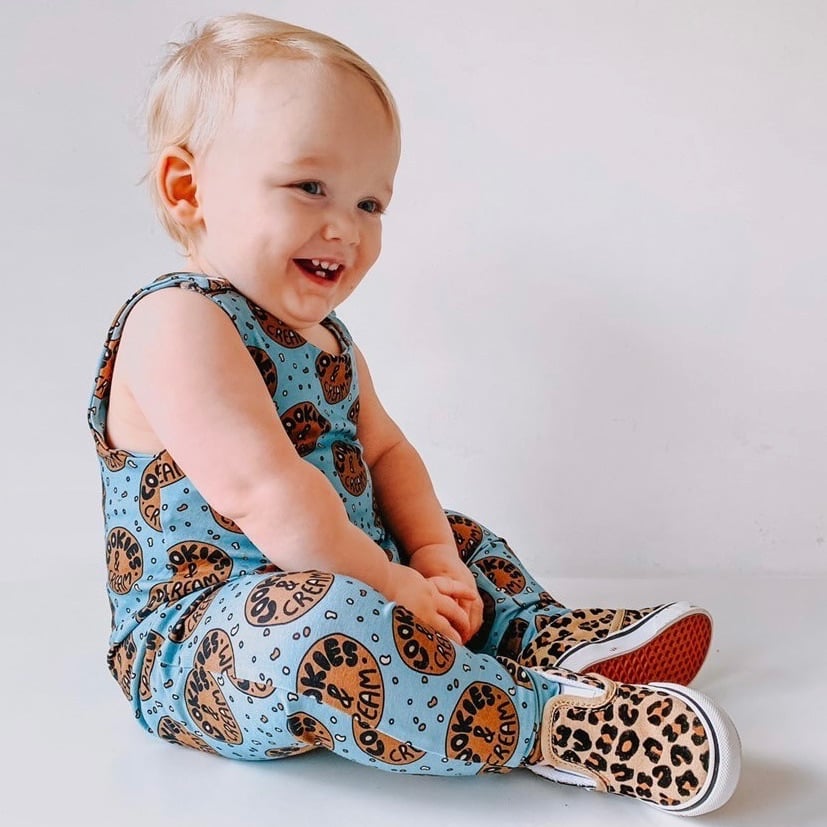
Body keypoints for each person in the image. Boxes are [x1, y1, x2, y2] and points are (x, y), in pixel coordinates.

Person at [87, 12, 740, 816]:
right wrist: (391, 582)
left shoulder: (327, 339)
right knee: (321, 626)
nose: (346, 228)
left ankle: (538, 635)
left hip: (353, 567)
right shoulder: (176, 322)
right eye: (310, 187)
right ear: (188, 187)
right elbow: (267, 494)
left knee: (459, 532)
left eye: (371, 202)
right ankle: (548, 723)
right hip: (215, 636)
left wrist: (432, 560)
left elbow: (387, 452)